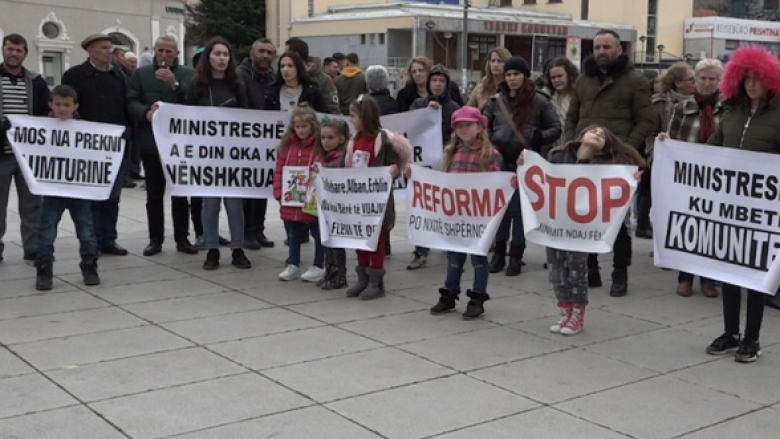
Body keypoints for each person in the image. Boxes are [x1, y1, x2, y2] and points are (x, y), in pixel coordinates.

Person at [702, 46, 780, 362]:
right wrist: (672, 149)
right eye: (746, 79)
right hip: (730, 207)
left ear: (770, 81)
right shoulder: (732, 115)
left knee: (756, 277)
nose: (751, 85)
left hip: (764, 212)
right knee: (730, 273)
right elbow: (709, 152)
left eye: (757, 79)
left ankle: (752, 339)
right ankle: (731, 332)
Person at [564, 29, 655, 297]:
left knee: (619, 222)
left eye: (607, 47)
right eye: (597, 47)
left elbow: (647, 121)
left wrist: (623, 147)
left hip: (618, 163)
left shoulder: (635, 81)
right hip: (585, 160)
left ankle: (620, 272)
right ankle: (590, 269)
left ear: (619, 50)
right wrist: (573, 144)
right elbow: (571, 117)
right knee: (585, 216)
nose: (601, 51)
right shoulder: (583, 80)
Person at [535, 125, 644, 335]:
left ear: (606, 146)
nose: (598, 134)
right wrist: (525, 168)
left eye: (603, 135)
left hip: (582, 228)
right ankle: (564, 310)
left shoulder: (608, 165)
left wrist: (632, 180)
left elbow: (629, 175)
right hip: (557, 224)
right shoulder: (558, 155)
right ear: (581, 135)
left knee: (577, 270)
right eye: (594, 131)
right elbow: (543, 178)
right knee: (556, 269)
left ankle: (577, 313)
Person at [406, 106, 504, 319]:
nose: (464, 129)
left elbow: (496, 184)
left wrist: (509, 183)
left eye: (468, 125)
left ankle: (477, 297)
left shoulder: (490, 154)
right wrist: (414, 174)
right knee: (454, 257)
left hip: (478, 218)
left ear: (480, 127)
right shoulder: (451, 151)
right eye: (459, 126)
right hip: (456, 217)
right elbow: (441, 179)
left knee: (478, 259)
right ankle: (449, 293)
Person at [483, 55, 561, 276]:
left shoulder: (539, 101)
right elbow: (484, 125)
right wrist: (491, 142)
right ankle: (498, 253)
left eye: (516, 74)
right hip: (500, 162)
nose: (512, 78)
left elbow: (555, 129)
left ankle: (516, 255)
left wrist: (535, 136)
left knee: (518, 211)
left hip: (525, 163)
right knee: (500, 210)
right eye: (508, 74)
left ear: (525, 76)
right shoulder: (495, 101)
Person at [127, 35, 198, 256]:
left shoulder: (188, 74)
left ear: (177, 53)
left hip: (179, 145)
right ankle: (155, 239)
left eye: (169, 51)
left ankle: (182, 238)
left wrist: (175, 85)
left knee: (180, 194)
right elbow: (130, 101)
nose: (164, 56)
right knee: (154, 195)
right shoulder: (141, 75)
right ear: (155, 52)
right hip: (152, 144)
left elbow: (196, 102)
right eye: (160, 51)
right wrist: (144, 112)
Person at [184, 37, 251, 270]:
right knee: (209, 205)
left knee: (235, 205)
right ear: (208, 57)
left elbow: (247, 116)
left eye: (225, 54)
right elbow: (186, 117)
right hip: (206, 156)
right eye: (217, 54)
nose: (222, 58)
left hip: (232, 156)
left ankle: (238, 249)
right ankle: (211, 249)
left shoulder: (237, 84)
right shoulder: (196, 85)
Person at [62, 33, 130, 256]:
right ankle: (90, 239)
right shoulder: (74, 75)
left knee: (112, 196)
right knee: (90, 196)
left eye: (110, 48)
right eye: (103, 48)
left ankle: (108, 238)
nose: (109, 52)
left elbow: (125, 107)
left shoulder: (119, 76)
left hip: (114, 145)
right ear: (90, 50)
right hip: (87, 146)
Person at [662, 58, 724, 299]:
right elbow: (673, 136)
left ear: (719, 81)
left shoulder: (728, 106)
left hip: (717, 177)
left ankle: (708, 279)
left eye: (712, 78)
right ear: (695, 80)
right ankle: (685, 277)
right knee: (688, 225)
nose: (707, 83)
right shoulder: (682, 107)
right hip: (688, 176)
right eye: (703, 78)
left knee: (711, 227)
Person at [343, 95, 411, 300]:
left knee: (376, 240)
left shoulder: (382, 140)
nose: (351, 120)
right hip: (357, 199)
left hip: (376, 201)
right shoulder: (353, 141)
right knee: (360, 238)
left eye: (353, 115)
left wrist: (393, 169)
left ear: (366, 116)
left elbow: (394, 164)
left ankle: (376, 280)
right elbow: (342, 165)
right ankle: (362, 276)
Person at [32, 85, 100, 290]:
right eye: (58, 104)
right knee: (46, 230)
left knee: (86, 230)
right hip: (53, 190)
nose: (62, 109)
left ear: (75, 107)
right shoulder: (40, 128)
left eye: (66, 105)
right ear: (50, 105)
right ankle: (44, 268)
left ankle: (89, 265)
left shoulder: (86, 130)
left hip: (79, 189)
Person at [407, 64, 462, 270]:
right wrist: (425, 112)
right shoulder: (418, 104)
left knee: (447, 207)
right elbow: (410, 129)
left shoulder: (454, 108)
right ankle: (421, 251)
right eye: (434, 81)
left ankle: (449, 245)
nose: (437, 84)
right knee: (422, 208)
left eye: (441, 81)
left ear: (447, 84)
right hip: (424, 166)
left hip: (446, 164)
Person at [0, 34, 49, 263]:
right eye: (10, 49)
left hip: (28, 154)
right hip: (1, 154)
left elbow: (43, 114)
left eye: (19, 50)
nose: (14, 54)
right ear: (3, 50)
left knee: (32, 205)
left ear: (25, 54)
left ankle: (32, 247)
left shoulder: (36, 81)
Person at [638, 62, 696, 243]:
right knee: (659, 200)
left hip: (690, 161)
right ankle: (658, 237)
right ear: (678, 83)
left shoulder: (701, 102)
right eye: (691, 79)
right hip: (664, 159)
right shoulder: (659, 103)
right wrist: (654, 154)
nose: (695, 82)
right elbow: (650, 131)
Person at [274, 107, 324, 282]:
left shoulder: (319, 146)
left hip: (311, 200)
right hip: (291, 200)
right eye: (297, 126)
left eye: (304, 126)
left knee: (318, 233)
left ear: (312, 126)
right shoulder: (287, 146)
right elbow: (279, 170)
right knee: (293, 233)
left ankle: (319, 265)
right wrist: (279, 192)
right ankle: (293, 264)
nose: (301, 130)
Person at [238, 37, 276, 250]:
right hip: (246, 140)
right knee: (248, 189)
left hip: (267, 140)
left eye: (269, 52)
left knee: (262, 186)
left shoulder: (272, 77)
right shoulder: (240, 75)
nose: (265, 56)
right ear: (252, 53)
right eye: (261, 51)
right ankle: (246, 231)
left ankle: (258, 229)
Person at [314, 117, 350, 289]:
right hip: (326, 205)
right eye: (323, 138)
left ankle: (339, 274)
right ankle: (329, 269)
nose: (326, 142)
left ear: (341, 139)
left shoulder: (342, 157)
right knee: (326, 239)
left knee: (336, 241)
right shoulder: (323, 156)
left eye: (330, 138)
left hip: (338, 206)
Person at [285, 37, 340, 114]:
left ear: (296, 55)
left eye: (286, 54)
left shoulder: (324, 80)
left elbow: (333, 111)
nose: (284, 58)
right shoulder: (285, 78)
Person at [264, 52, 330, 113]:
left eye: (290, 65)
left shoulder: (312, 91)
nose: (285, 69)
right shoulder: (272, 91)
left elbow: (324, 114)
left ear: (298, 68)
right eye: (282, 66)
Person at [396, 57, 464, 112]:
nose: (417, 74)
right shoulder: (405, 95)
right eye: (414, 72)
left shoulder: (451, 89)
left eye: (421, 70)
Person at [544, 57, 579, 156]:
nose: (556, 80)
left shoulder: (577, 96)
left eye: (560, 76)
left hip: (574, 148)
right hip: (552, 151)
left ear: (569, 75)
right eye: (553, 77)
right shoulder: (547, 96)